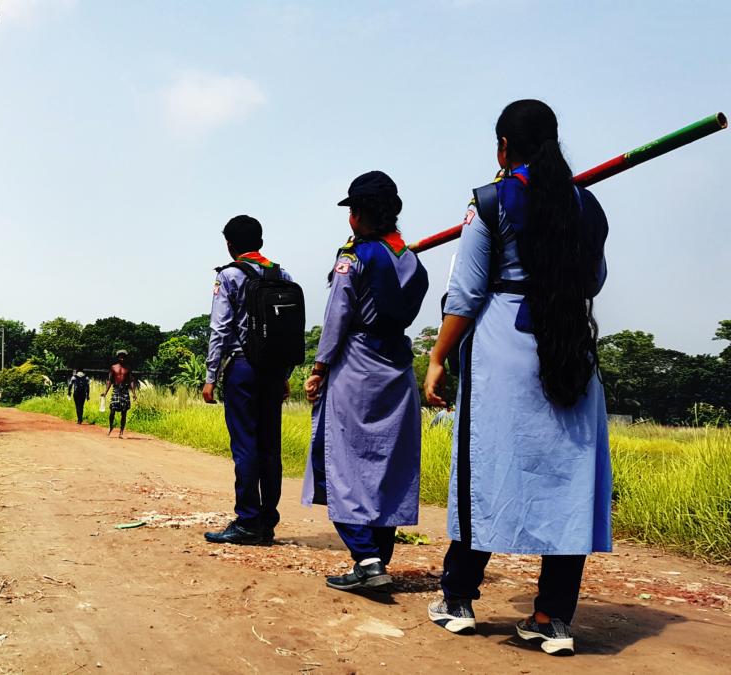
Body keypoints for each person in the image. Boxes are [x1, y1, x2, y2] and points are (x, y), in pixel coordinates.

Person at [424, 99, 612, 656]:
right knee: (567, 480)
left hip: (503, 347)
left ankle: (458, 599)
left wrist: (438, 356)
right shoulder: (589, 207)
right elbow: (595, 282)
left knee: (484, 468)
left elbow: (465, 293)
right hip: (571, 346)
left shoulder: (489, 201)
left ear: (504, 147)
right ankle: (553, 617)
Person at [301, 171, 429, 592]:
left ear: (358, 215)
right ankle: (379, 558)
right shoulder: (413, 260)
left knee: (340, 462)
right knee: (388, 467)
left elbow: (337, 316)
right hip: (397, 367)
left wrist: (319, 367)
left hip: (355, 365)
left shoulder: (352, 257)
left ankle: (366, 558)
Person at [203, 215, 293, 546]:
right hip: (273, 370)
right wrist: (285, 374)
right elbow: (287, 329)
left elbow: (220, 328)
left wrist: (211, 375)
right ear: (261, 242)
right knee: (270, 446)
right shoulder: (281, 273)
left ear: (229, 245)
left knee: (245, 445)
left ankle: (247, 520)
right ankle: (267, 521)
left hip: (242, 369)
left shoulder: (228, 276)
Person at [102, 350, 136, 437]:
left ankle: (121, 431)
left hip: (124, 389)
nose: (122, 358)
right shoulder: (113, 367)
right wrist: (105, 392)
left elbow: (131, 380)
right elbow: (109, 380)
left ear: (125, 357)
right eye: (120, 356)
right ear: (118, 357)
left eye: (123, 356)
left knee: (124, 411)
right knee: (112, 410)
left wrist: (134, 393)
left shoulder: (128, 368)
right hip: (116, 389)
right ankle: (111, 427)